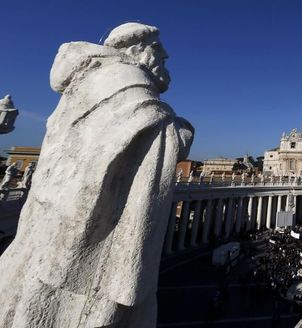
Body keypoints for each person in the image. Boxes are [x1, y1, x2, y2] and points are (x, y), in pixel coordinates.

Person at [0, 22, 193, 327]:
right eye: (159, 51)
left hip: (60, 209)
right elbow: (155, 131)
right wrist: (184, 132)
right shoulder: (124, 80)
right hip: (86, 227)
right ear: (135, 51)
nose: (164, 56)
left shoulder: (90, 80)